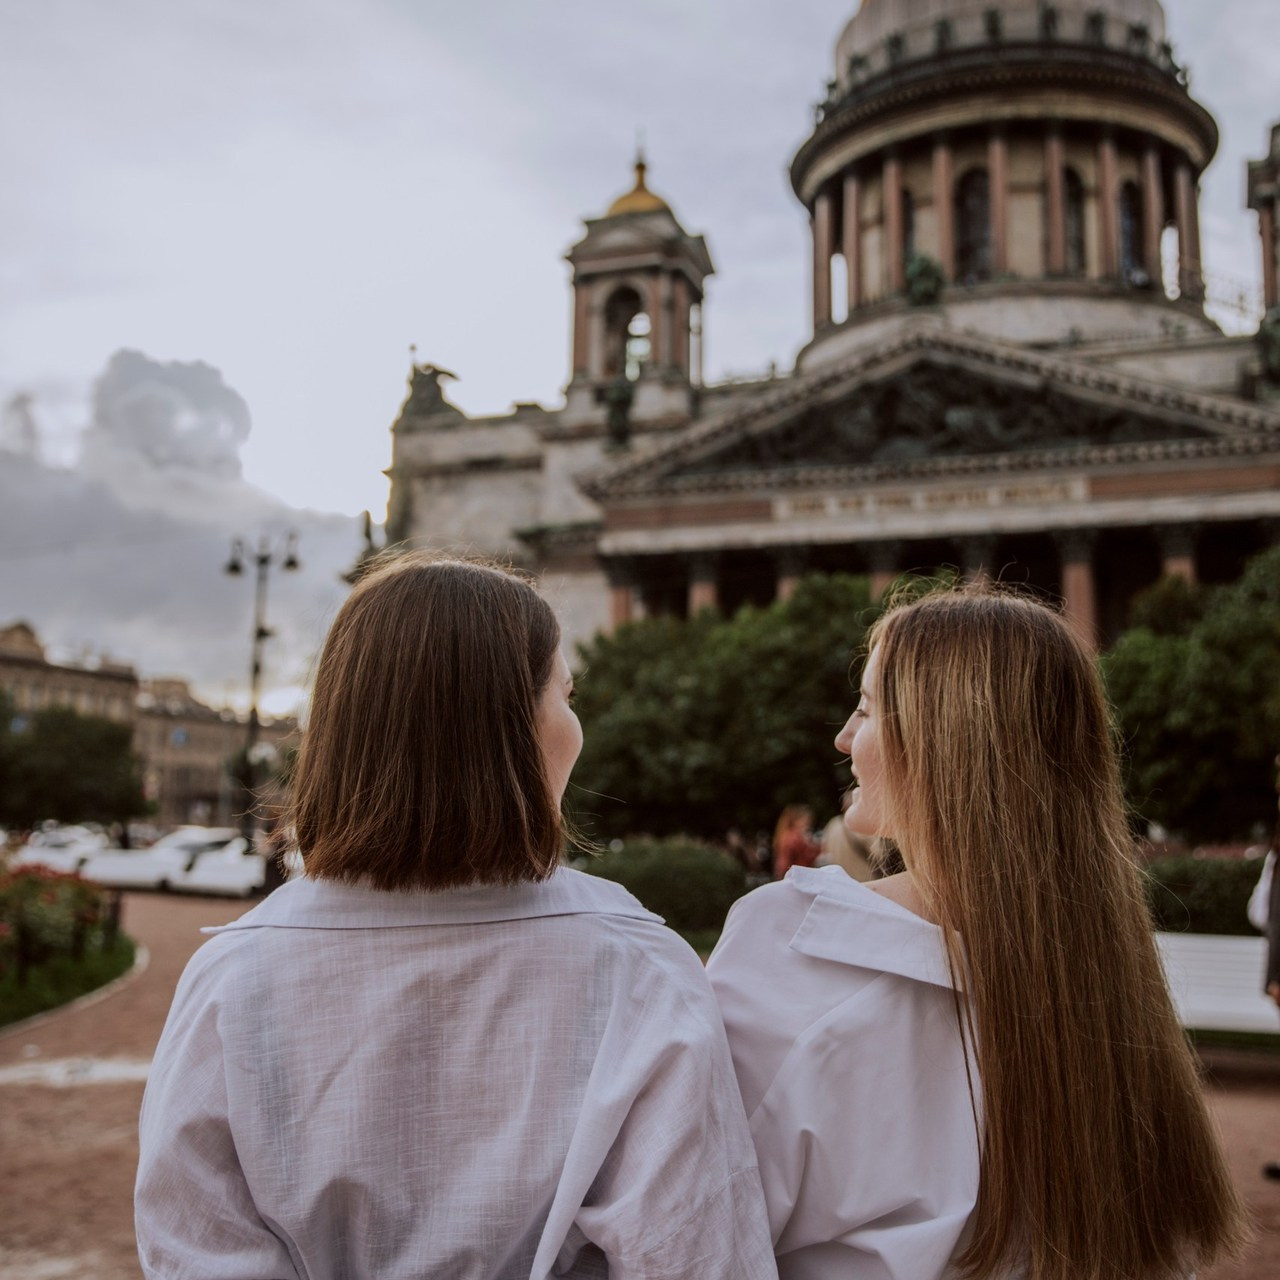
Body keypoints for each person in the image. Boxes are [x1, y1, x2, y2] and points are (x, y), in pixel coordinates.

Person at [135, 554, 777, 1280]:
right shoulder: (639, 966)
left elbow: (192, 1249)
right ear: (513, 730)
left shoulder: (231, 976)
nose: (578, 728)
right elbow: (696, 1256)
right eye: (566, 696)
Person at [707, 588, 1248, 1280]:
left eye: (868, 709)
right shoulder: (1110, 976)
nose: (845, 736)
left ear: (937, 742)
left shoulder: (792, 942)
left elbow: (705, 1231)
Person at [816, 789, 876, 882]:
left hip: (842, 879)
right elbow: (877, 851)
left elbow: (824, 849)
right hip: (864, 877)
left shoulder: (832, 825)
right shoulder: (861, 826)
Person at [772, 805, 819, 879]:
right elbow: (808, 856)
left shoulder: (785, 834)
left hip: (791, 874)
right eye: (806, 819)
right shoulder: (795, 837)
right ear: (796, 821)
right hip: (797, 876)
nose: (809, 823)